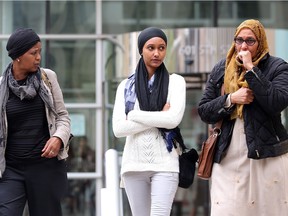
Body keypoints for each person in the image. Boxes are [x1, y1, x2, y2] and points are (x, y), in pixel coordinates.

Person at [198, 19, 288, 215]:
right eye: (239, 40)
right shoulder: (222, 68)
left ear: (261, 42)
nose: (243, 46)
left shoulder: (277, 67)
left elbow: (277, 102)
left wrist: (251, 70)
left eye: (250, 41)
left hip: (265, 156)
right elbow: (204, 110)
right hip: (227, 155)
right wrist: (230, 99)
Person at [112, 27, 186, 216]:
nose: (156, 53)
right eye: (150, 47)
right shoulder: (126, 86)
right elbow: (119, 128)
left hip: (165, 164)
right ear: (141, 50)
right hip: (133, 166)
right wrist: (158, 116)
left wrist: (135, 115)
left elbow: (172, 119)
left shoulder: (175, 82)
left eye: (161, 48)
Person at [0, 28, 71, 216]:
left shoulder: (48, 78)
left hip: (44, 168)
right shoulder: (1, 87)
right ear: (17, 56)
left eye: (39, 51)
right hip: (11, 169)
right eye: (33, 53)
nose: (38, 57)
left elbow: (62, 117)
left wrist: (58, 138)